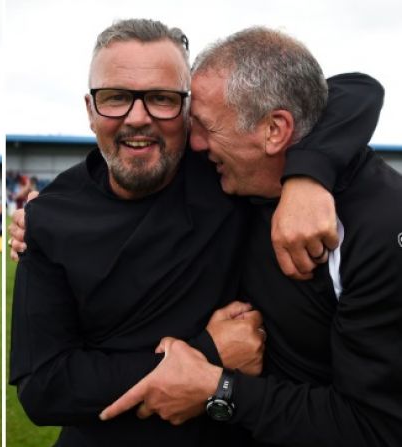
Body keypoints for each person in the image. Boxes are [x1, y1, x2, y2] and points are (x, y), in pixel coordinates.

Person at [7, 19, 381, 446]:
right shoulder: (49, 219)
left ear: (187, 109)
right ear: (90, 109)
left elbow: (355, 91)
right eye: (115, 98)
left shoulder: (221, 169)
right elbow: (45, 386)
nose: (137, 118)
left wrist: (307, 178)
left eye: (161, 99)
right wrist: (206, 354)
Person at [100, 27, 402, 447]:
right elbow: (357, 89)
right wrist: (49, 214)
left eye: (204, 126)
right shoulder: (249, 171)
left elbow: (374, 428)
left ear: (274, 131)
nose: (196, 144)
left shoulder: (378, 231)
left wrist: (220, 390)